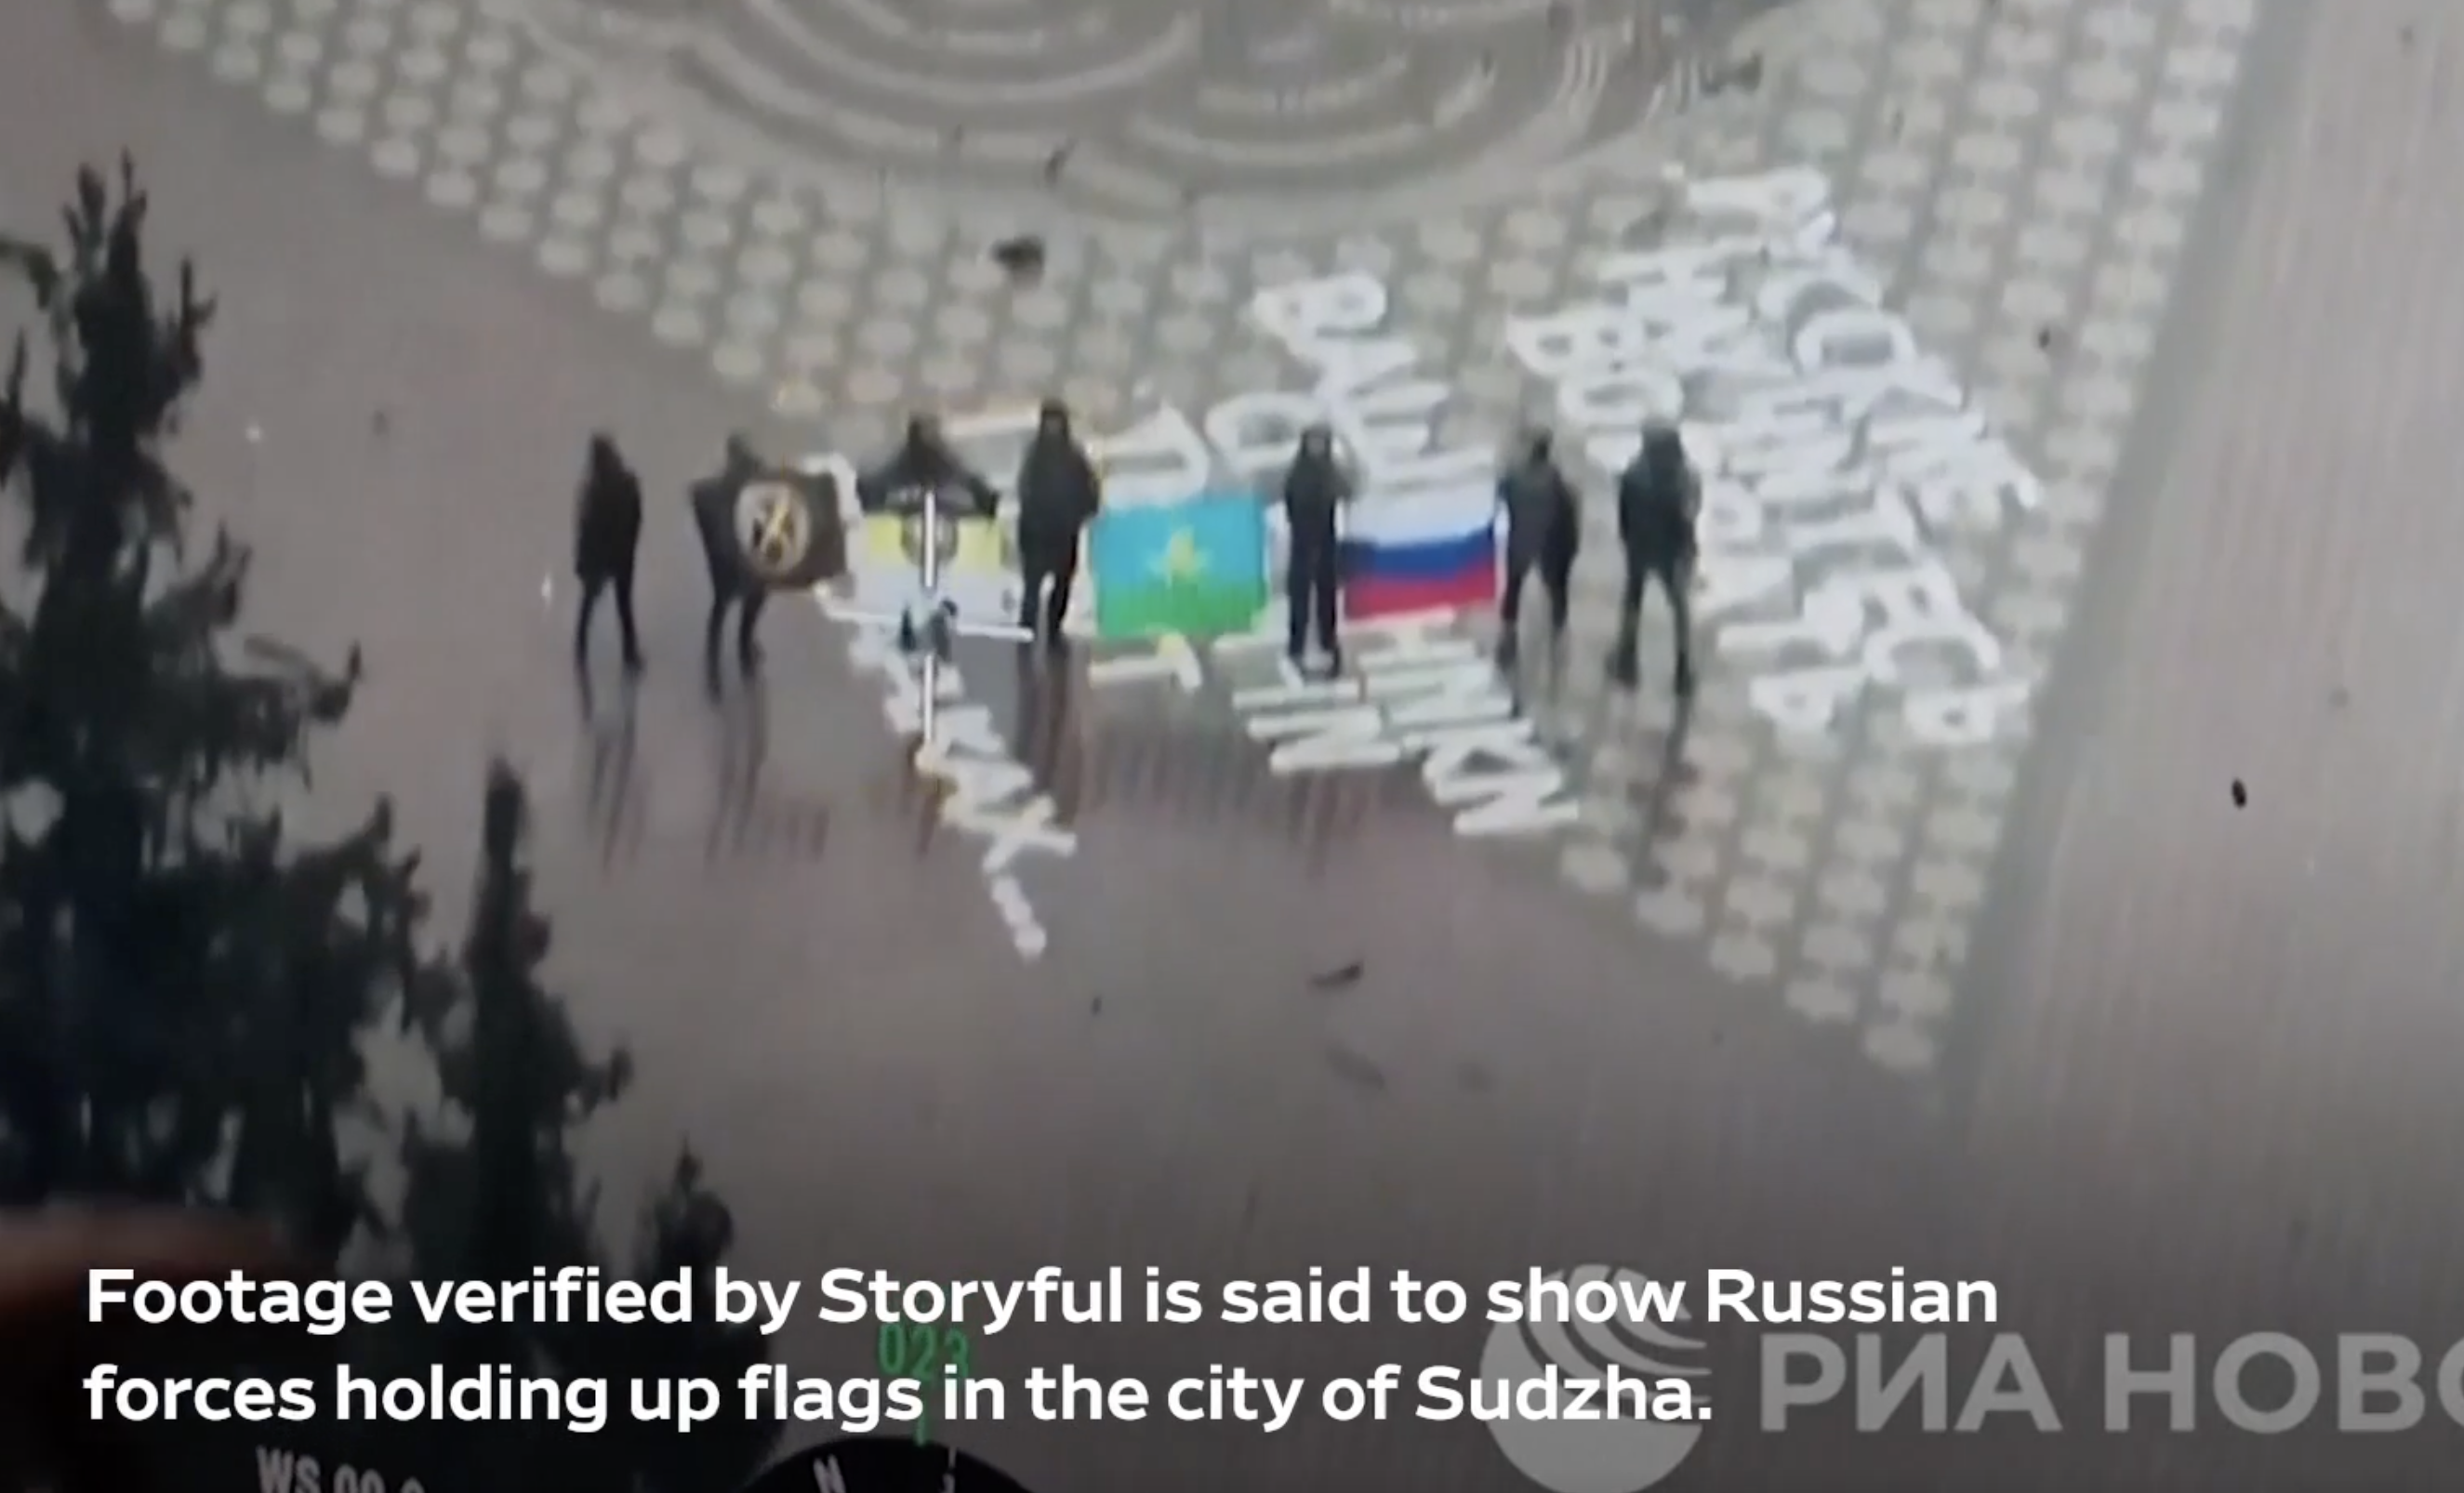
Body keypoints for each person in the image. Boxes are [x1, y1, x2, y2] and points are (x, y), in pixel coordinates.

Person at [1613, 419, 1701, 694]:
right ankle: (1683, 668)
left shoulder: (1633, 474)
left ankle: (1627, 657)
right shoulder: (1684, 477)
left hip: (1639, 547)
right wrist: (1688, 549)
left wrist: (1627, 539)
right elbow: (1689, 515)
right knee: (1679, 609)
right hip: (1670, 552)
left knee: (1633, 601)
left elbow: (1624, 514)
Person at [1012, 399, 1102, 647]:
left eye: (1057, 422)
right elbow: (1025, 490)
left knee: (1062, 582)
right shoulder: (1035, 456)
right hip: (1036, 531)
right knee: (1032, 585)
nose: (1053, 428)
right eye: (1049, 422)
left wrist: (1084, 511)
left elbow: (1089, 487)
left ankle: (1053, 629)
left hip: (1064, 531)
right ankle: (1027, 630)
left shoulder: (1073, 456)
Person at [1494, 427, 1582, 668]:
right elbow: (1568, 516)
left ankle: (1509, 638)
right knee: (1556, 593)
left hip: (1518, 543)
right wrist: (1571, 548)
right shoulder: (1556, 481)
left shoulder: (1514, 477)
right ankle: (1557, 637)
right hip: (1548, 546)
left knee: (1513, 591)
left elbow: (1498, 504)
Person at [691, 432, 771, 683]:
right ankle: (744, 647)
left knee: (721, 607)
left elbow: (698, 495)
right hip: (752, 564)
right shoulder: (758, 491)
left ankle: (714, 658)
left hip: (728, 564)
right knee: (752, 601)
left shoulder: (716, 492)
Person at [1280, 424, 1353, 677]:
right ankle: (1296, 646)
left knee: (1326, 598)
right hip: (1302, 543)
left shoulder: (1332, 472)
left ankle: (1328, 643)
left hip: (1326, 543)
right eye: (1313, 442)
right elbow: (1290, 502)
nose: (1317, 447)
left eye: (1321, 442)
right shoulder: (1297, 473)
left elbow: (1347, 491)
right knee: (1299, 598)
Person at [572, 433, 644, 673]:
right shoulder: (628, 482)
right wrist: (631, 546)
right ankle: (630, 654)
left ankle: (581, 650)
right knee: (624, 606)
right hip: (623, 554)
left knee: (588, 605)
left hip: (599, 556)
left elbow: (585, 528)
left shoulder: (592, 489)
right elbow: (636, 518)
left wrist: (582, 560)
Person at [856, 413, 1002, 518]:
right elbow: (869, 495)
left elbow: (986, 499)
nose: (928, 441)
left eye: (932, 436)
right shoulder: (893, 475)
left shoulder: (956, 472)